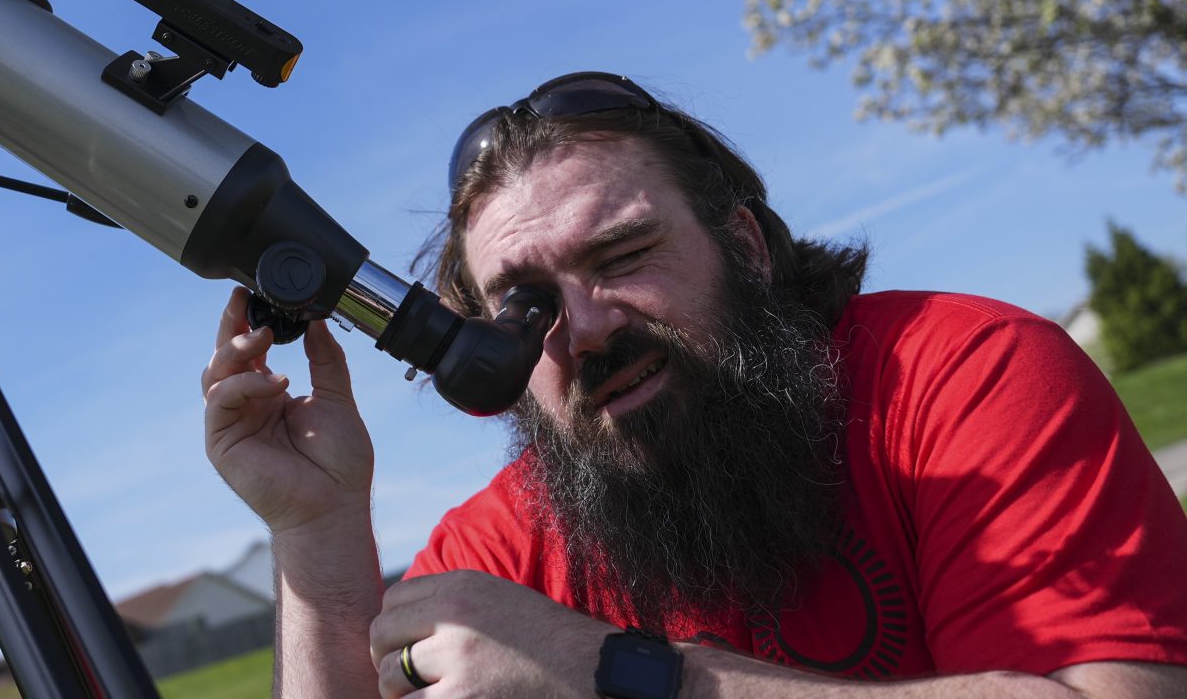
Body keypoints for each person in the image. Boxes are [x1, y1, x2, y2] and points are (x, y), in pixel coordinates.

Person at [202, 72, 1187, 699]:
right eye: (525, 305)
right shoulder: (497, 553)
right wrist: (317, 543)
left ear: (745, 247)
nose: (584, 327)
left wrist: (619, 674)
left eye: (623, 255)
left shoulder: (960, 375)